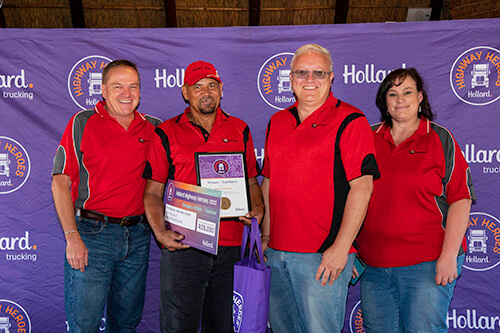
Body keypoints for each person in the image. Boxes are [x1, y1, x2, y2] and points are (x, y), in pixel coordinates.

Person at [260, 44, 380, 333]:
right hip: (277, 254)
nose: (309, 80)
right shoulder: (277, 121)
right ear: (290, 79)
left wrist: (341, 248)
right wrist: (266, 234)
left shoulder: (351, 120)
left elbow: (362, 189)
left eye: (318, 73)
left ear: (331, 77)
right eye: (302, 72)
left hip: (322, 255)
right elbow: (269, 182)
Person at [142, 60, 265, 333]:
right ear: (185, 92)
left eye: (211, 85)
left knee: (224, 327)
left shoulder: (239, 129)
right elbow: (152, 193)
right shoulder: (166, 132)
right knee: (178, 328)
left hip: (232, 249)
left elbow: (251, 181)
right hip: (185, 246)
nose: (205, 92)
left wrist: (257, 207)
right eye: (197, 87)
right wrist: (160, 232)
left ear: (221, 90)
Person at [357, 68, 475, 333]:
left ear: (420, 97)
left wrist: (447, 256)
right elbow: (351, 197)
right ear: (384, 101)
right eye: (393, 93)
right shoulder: (367, 138)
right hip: (375, 268)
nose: (400, 99)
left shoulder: (440, 138)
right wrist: (350, 251)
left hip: (427, 264)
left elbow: (461, 199)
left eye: (407, 92)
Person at [51, 60, 161, 332]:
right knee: (84, 326)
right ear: (102, 90)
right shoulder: (82, 122)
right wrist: (72, 236)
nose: (127, 93)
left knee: (125, 325)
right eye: (118, 86)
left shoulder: (154, 129)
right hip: (91, 235)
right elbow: (60, 181)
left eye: (133, 86)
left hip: (137, 237)